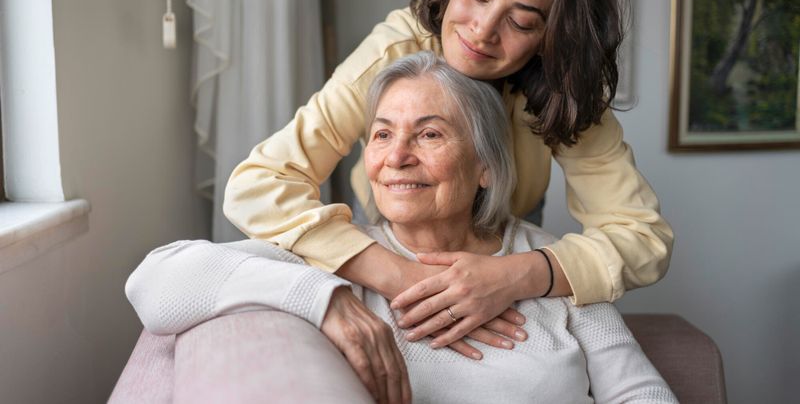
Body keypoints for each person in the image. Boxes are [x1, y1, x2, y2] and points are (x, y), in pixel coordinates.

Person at [223, 0, 673, 357]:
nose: (481, 30)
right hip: (384, 241)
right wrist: (398, 274)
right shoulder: (393, 51)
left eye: (520, 22)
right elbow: (257, 185)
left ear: (553, 36)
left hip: (507, 248)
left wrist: (515, 275)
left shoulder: (566, 91)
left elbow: (643, 238)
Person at [127, 53, 677, 404]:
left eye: (430, 135)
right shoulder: (336, 254)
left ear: (485, 165)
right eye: (383, 135)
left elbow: (639, 391)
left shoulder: (547, 262)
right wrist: (326, 299)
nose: (398, 158)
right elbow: (153, 283)